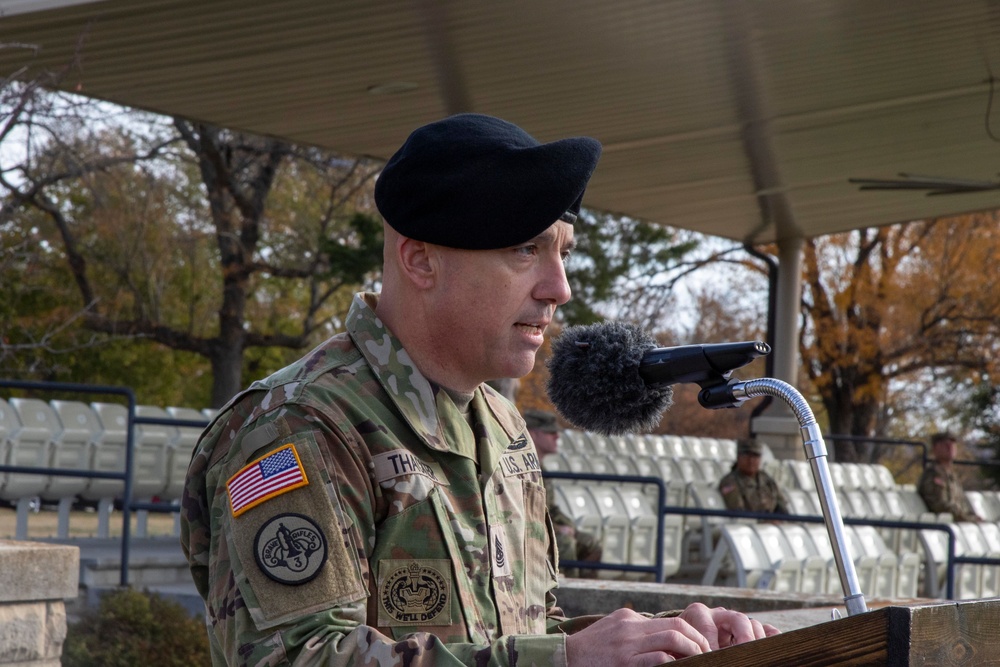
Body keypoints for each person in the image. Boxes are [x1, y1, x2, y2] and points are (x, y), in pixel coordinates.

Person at [181, 113, 777, 667]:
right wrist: (564, 661)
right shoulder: (300, 425)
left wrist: (664, 640)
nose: (559, 289)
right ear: (420, 262)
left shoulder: (502, 425)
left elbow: (516, 635)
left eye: (563, 253)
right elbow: (298, 657)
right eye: (525, 249)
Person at [523, 408, 603, 577]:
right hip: (530, 530)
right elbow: (526, 511)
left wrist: (570, 526)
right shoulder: (522, 468)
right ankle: (567, 595)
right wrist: (560, 530)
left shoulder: (542, 468)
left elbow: (551, 508)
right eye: (550, 433)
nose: (557, 437)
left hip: (548, 525)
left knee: (592, 544)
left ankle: (586, 592)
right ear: (533, 434)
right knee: (565, 543)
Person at [917, 431, 982, 522]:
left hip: (956, 522)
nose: (950, 447)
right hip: (940, 524)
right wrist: (966, 518)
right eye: (945, 445)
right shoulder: (933, 474)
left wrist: (972, 516)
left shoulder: (952, 476)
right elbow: (939, 505)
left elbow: (961, 505)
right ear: (935, 449)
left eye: (952, 444)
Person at [718, 439, 790, 515]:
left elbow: (781, 504)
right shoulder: (730, 482)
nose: (751, 461)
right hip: (748, 524)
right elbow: (738, 512)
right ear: (738, 457)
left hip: (772, 524)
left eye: (755, 456)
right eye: (746, 456)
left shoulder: (766, 479)